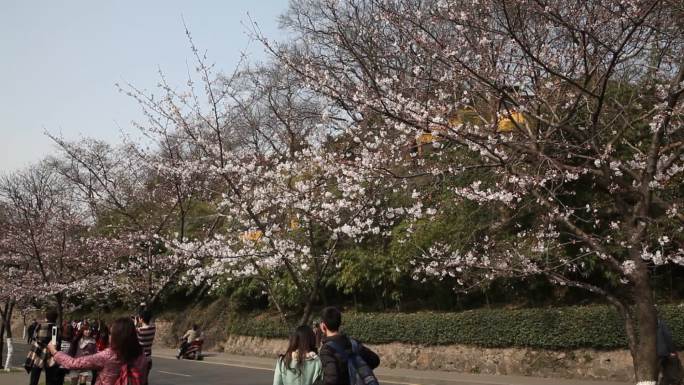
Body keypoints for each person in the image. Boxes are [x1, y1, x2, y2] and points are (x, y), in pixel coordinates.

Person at [47, 317, 148, 385]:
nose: (109, 336)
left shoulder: (108, 356)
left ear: (116, 336)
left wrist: (55, 352)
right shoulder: (141, 356)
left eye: (111, 333)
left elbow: (74, 363)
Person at [318, 307, 380, 385]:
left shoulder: (327, 350)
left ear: (323, 326)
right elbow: (375, 360)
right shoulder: (353, 342)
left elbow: (331, 379)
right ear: (339, 323)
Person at [24, 309, 61, 385]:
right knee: (50, 376)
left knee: (35, 374)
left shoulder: (40, 325)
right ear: (55, 318)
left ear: (46, 318)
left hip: (38, 351)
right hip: (50, 353)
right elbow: (54, 342)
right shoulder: (55, 328)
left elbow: (34, 336)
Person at [657, 318, 682, 385]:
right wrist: (672, 351)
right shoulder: (661, 323)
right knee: (672, 372)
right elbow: (667, 336)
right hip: (664, 352)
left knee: (659, 373)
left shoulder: (647, 324)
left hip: (654, 354)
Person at [135, 310, 155, 385]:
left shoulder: (139, 330)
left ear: (141, 319)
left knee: (138, 381)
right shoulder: (153, 328)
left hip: (140, 360)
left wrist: (136, 323)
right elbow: (151, 322)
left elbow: (131, 333)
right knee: (145, 381)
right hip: (148, 359)